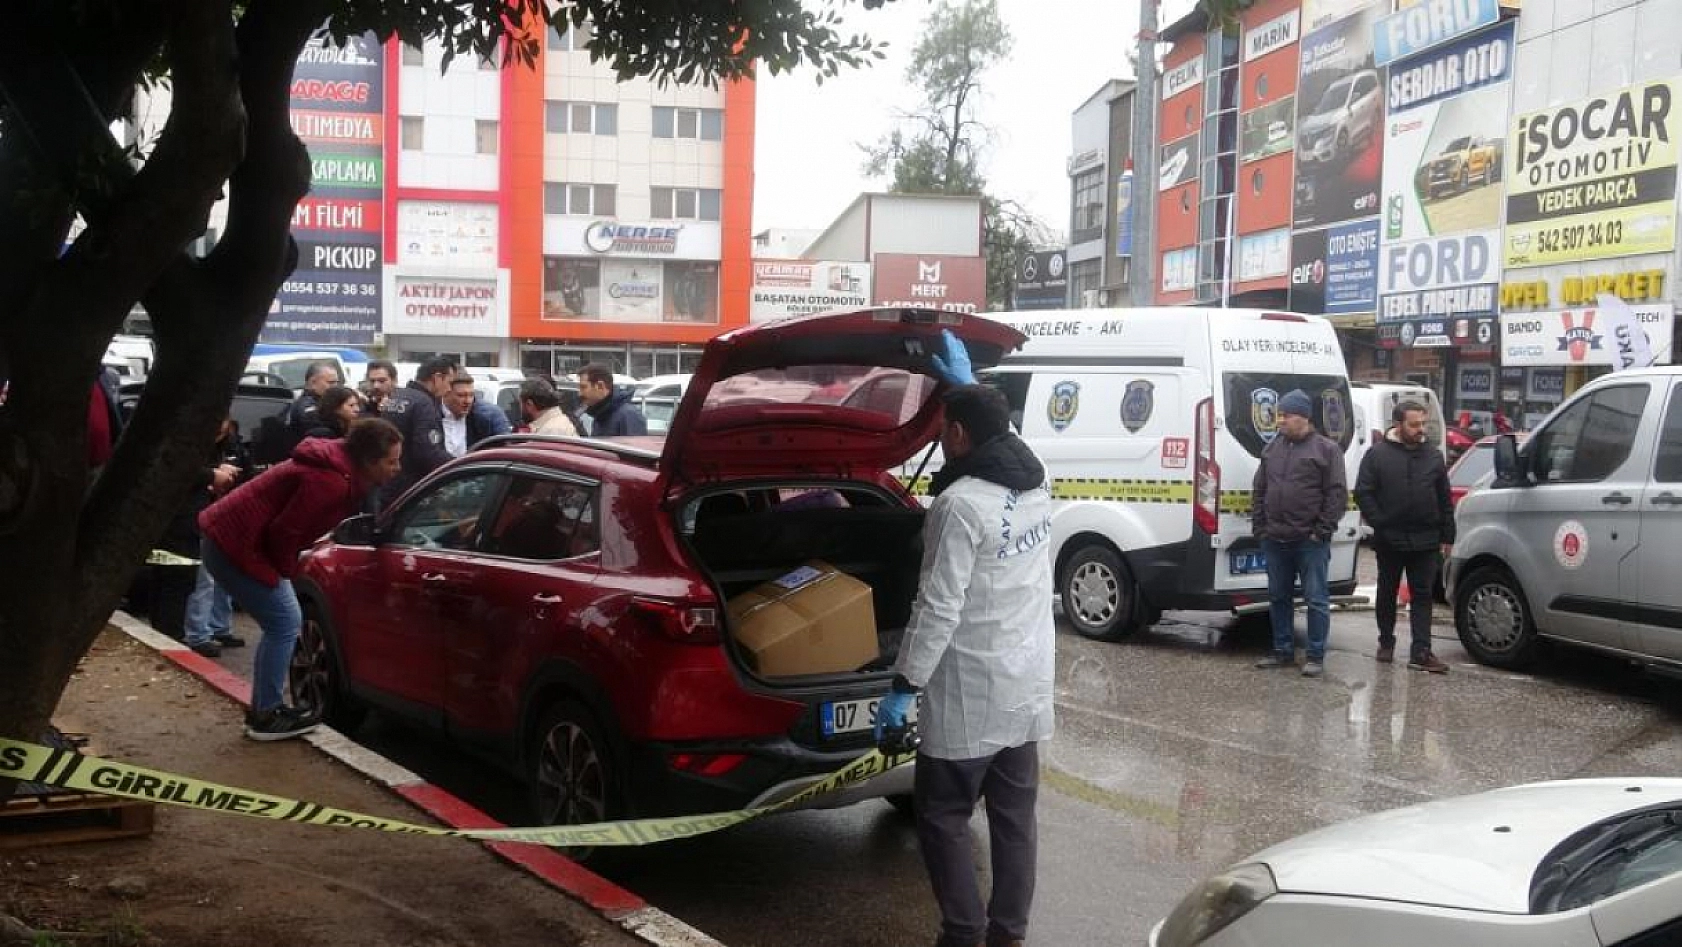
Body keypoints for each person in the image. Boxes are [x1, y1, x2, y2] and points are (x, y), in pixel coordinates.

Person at [876, 333, 1054, 947]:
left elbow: (937, 608)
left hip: (969, 692)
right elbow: (1006, 439)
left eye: (944, 429)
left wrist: (905, 685)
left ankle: (962, 933)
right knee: (1014, 820)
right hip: (1024, 688)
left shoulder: (958, 505)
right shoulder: (1037, 483)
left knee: (944, 816)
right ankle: (1006, 936)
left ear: (955, 435)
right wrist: (970, 389)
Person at [198, 419, 402, 740]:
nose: (397, 469)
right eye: (391, 461)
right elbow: (285, 532)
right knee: (284, 622)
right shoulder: (330, 482)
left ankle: (266, 708)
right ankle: (266, 715)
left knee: (283, 622)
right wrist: (288, 571)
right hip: (233, 543)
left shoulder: (338, 468)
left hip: (233, 539)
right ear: (368, 461)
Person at [1252, 389, 1348, 678]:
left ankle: (1315, 655)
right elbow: (1260, 489)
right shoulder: (1273, 448)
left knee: (1316, 599)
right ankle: (1282, 651)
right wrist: (1261, 528)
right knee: (1278, 597)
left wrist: (1321, 531)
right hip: (1275, 539)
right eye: (1279, 415)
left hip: (1309, 541)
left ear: (1304, 417)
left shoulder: (1327, 450)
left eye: (1286, 415)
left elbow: (1336, 495)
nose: (1280, 420)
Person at [1355, 401, 1453, 674]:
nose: (1420, 429)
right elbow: (1363, 492)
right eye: (1414, 424)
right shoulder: (1377, 455)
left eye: (1423, 423)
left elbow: (1444, 497)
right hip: (1390, 538)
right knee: (1387, 591)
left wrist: (1448, 534)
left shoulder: (1433, 456)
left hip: (1426, 539)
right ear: (1398, 425)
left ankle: (1421, 651)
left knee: (1422, 595)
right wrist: (1380, 522)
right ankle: (1386, 642)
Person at [181, 417, 252, 657]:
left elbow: (247, 475)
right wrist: (212, 477)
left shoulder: (230, 445)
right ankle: (198, 634)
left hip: (222, 515)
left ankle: (217, 628)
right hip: (199, 517)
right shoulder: (193, 445)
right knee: (204, 579)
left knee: (221, 576)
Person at [377, 355, 456, 506]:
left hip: (387, 484)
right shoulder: (424, 404)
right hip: (411, 490)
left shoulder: (397, 397)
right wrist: (458, 464)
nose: (449, 389)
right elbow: (428, 451)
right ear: (437, 378)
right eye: (449, 382)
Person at [441, 373, 510, 457]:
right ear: (445, 394)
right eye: (461, 395)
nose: (468, 401)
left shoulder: (489, 416)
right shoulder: (432, 414)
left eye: (471, 395)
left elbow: (506, 450)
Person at [576, 363, 646, 436]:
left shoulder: (629, 415)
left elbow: (634, 443)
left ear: (600, 386)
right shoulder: (600, 415)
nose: (579, 393)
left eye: (583, 387)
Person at [286, 360, 342, 441]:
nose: (335, 387)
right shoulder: (306, 404)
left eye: (336, 382)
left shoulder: (324, 402)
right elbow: (320, 431)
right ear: (313, 383)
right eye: (331, 383)